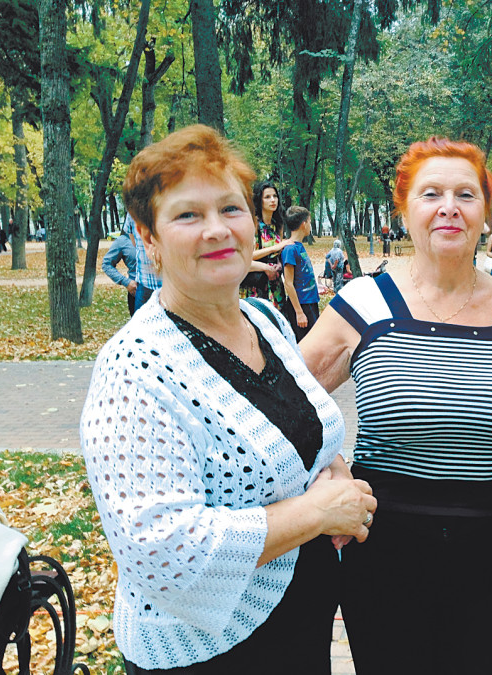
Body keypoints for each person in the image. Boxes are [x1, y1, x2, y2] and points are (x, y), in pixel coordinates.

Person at [79, 125, 377, 674]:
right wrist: (317, 512)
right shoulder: (135, 368)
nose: (217, 229)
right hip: (208, 650)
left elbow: (299, 434)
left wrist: (333, 471)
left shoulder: (264, 321)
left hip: (299, 625)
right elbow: (162, 553)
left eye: (230, 208)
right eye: (188, 215)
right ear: (149, 238)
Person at [301, 137, 492, 675]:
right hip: (385, 547)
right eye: (430, 194)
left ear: (487, 212)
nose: (448, 208)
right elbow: (286, 406)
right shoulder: (365, 302)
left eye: (466, 195)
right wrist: (331, 467)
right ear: (403, 209)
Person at [241, 181, 290, 311]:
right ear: (260, 200)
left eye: (275, 196)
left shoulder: (277, 224)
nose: (272, 200)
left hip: (275, 286)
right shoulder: (253, 224)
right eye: (267, 197)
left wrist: (279, 264)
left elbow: (278, 254)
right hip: (256, 285)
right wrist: (273, 249)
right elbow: (246, 257)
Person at [280, 206, 320, 340]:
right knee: (307, 343)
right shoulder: (290, 249)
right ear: (303, 224)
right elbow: (288, 283)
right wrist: (299, 312)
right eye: (309, 222)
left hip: (310, 302)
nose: (310, 226)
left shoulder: (299, 246)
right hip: (302, 305)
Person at [123, 212, 162, 311]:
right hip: (146, 286)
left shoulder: (134, 210)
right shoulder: (132, 212)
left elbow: (134, 242)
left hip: (147, 283)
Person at [101, 231, 138, 315]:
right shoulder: (123, 241)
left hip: (162, 292)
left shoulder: (156, 235)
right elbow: (106, 264)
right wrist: (126, 282)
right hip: (137, 292)